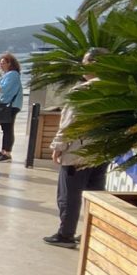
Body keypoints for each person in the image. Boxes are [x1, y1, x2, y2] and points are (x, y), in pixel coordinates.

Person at [44, 48, 109, 248]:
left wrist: (58, 146)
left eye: (85, 62)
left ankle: (66, 234)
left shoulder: (83, 91)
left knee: (69, 195)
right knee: (95, 194)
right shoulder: (115, 90)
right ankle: (92, 231)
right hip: (101, 152)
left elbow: (70, 122)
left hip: (77, 152)